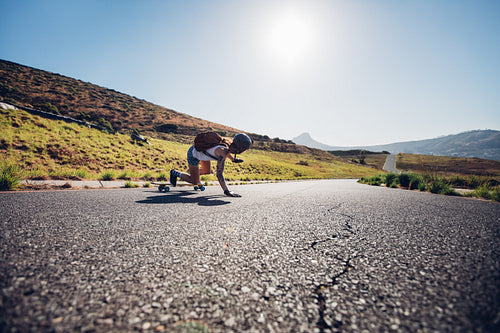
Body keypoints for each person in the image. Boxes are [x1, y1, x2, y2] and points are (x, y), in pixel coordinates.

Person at [169, 133, 252, 197]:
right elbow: (219, 174)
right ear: (240, 148)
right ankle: (174, 173)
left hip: (203, 153)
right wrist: (226, 191)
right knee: (194, 181)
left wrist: (233, 159)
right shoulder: (222, 152)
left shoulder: (227, 145)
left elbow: (227, 152)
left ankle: (193, 173)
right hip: (193, 154)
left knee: (207, 171)